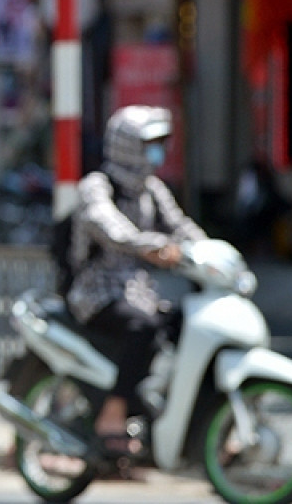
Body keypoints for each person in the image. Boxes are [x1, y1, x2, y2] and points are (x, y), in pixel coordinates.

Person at [66, 104, 208, 456]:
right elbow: (112, 229)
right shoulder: (96, 186)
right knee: (142, 327)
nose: (156, 151)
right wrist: (154, 246)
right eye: (149, 143)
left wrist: (211, 252)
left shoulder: (152, 188)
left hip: (137, 290)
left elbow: (181, 225)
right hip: (95, 293)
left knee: (188, 326)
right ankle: (113, 413)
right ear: (127, 145)